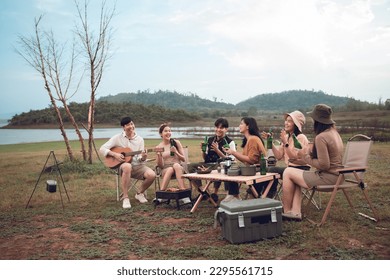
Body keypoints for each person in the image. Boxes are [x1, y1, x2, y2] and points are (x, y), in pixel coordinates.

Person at [281, 104, 344, 220]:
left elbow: (324, 165)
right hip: (339, 176)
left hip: (328, 178)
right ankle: (295, 212)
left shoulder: (321, 137)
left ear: (317, 120)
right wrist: (309, 151)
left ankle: (287, 211)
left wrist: (305, 157)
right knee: (293, 173)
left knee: (288, 172)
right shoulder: (335, 133)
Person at [99, 116, 156, 209]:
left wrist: (143, 157)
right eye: (128, 124)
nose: (131, 126)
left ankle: (139, 193)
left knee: (152, 175)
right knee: (127, 166)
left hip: (138, 166)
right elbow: (102, 148)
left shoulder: (140, 139)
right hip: (123, 167)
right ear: (123, 127)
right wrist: (115, 155)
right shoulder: (117, 138)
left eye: (132, 124)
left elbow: (140, 158)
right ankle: (125, 197)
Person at [261, 111, 310, 198]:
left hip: (301, 169)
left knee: (272, 170)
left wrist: (285, 142)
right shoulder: (287, 137)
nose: (286, 123)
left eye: (290, 121)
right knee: (268, 169)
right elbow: (279, 156)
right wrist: (270, 142)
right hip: (290, 168)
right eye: (286, 120)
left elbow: (294, 158)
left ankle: (269, 195)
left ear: (296, 124)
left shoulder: (301, 138)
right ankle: (265, 194)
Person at [187, 118, 236, 202]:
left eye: (221, 128)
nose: (218, 130)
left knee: (222, 166)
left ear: (226, 129)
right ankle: (203, 192)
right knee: (190, 166)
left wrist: (217, 150)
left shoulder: (230, 142)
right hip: (208, 165)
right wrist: (203, 151)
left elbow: (229, 160)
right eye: (217, 127)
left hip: (220, 165)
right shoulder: (210, 140)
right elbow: (205, 158)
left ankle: (215, 193)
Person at [223, 117, 267, 202]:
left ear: (248, 126)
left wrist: (233, 152)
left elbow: (251, 160)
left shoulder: (253, 139)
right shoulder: (248, 140)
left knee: (232, 171)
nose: (239, 126)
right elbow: (245, 160)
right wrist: (231, 152)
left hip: (258, 170)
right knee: (231, 168)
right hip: (251, 168)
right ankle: (233, 195)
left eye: (241, 123)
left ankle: (234, 196)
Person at [155, 123, 188, 190]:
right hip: (166, 169)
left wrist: (176, 152)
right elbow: (160, 166)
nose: (168, 133)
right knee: (170, 169)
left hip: (178, 167)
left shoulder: (176, 142)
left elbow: (183, 159)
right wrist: (159, 156)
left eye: (169, 131)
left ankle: (182, 189)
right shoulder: (159, 146)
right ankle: (161, 192)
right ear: (161, 134)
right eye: (166, 131)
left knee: (176, 165)